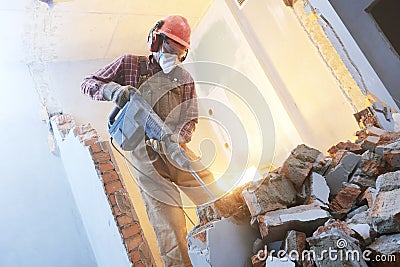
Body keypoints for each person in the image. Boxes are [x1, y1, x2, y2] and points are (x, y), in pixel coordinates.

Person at [81, 15, 216, 267]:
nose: (173, 56)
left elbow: (190, 120)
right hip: (145, 159)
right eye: (169, 48)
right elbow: (88, 83)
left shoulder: (184, 78)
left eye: (180, 52)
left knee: (214, 193)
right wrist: (113, 90)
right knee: (170, 226)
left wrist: (178, 139)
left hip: (176, 150)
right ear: (156, 41)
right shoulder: (129, 64)